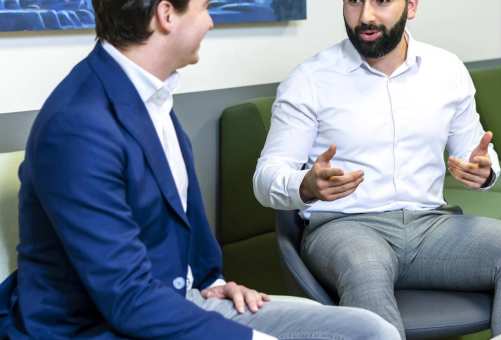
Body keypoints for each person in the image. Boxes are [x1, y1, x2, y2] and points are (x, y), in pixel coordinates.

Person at [0, 0, 400, 339]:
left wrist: (214, 284)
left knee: (370, 331)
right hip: (97, 325)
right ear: (166, 15)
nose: (211, 20)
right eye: (206, 7)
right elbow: (126, 298)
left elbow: (175, 230)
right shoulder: (78, 125)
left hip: (175, 302)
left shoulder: (149, 94)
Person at [253, 0, 501, 338]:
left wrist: (484, 170)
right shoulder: (309, 79)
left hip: (430, 227)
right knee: (365, 266)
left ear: (410, 6)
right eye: (353, 2)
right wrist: (305, 185)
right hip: (345, 227)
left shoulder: (446, 70)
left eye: (380, 1)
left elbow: (477, 151)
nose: (365, 15)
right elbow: (266, 177)